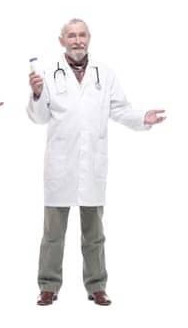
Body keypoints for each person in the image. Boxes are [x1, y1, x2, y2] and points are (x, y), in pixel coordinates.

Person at [27, 19, 166, 306]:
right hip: (60, 165)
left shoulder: (105, 73)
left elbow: (119, 109)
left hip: (92, 165)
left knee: (95, 233)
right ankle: (48, 286)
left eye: (81, 35)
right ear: (61, 40)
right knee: (53, 234)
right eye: (71, 36)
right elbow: (39, 117)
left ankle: (97, 285)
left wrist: (143, 118)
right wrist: (38, 94)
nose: (77, 41)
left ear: (89, 38)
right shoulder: (48, 74)